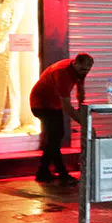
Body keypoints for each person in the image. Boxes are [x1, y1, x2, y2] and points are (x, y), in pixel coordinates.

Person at [29, 53, 93, 184]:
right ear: (75, 63)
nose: (85, 73)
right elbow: (67, 107)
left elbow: (80, 90)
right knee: (55, 137)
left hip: (54, 104)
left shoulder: (80, 71)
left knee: (55, 137)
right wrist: (85, 123)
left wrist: (82, 106)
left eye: (87, 70)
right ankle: (62, 174)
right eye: (83, 69)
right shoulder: (63, 73)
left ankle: (43, 172)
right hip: (41, 104)